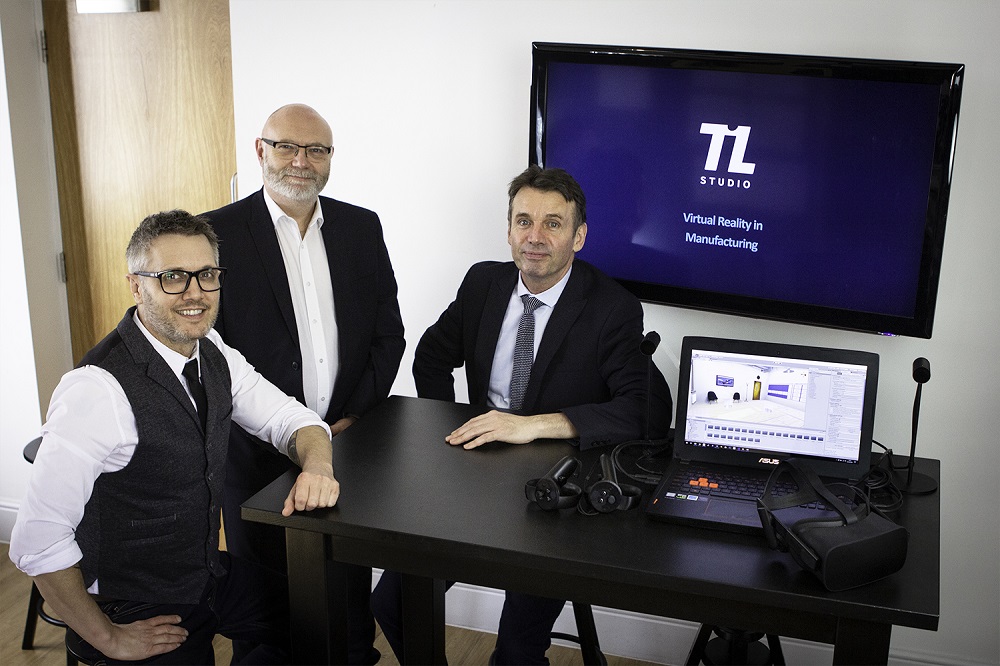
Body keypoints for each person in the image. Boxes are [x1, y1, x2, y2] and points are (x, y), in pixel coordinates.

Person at [370, 165, 673, 665]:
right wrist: (456, 425)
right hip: (474, 474)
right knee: (393, 604)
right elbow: (431, 356)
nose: (535, 237)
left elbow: (645, 413)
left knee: (515, 647)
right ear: (508, 229)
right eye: (523, 221)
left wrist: (531, 426)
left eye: (553, 224)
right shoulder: (483, 283)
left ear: (579, 237)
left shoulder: (611, 308)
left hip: (556, 487)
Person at [9, 210, 341, 664]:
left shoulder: (213, 351)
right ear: (136, 285)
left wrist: (318, 466)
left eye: (206, 275)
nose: (195, 293)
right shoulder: (96, 389)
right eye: (172, 277)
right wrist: (109, 637)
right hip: (132, 602)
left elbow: (291, 419)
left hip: (200, 573)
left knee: (323, 617)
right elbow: (38, 541)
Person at [202, 103, 405, 664]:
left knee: (346, 604)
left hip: (343, 447)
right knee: (264, 617)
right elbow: (203, 349)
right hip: (252, 454)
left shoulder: (361, 227)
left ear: (330, 159)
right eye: (287, 146)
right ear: (260, 149)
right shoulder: (214, 234)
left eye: (316, 150)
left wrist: (354, 417)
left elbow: (389, 334)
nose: (301, 161)